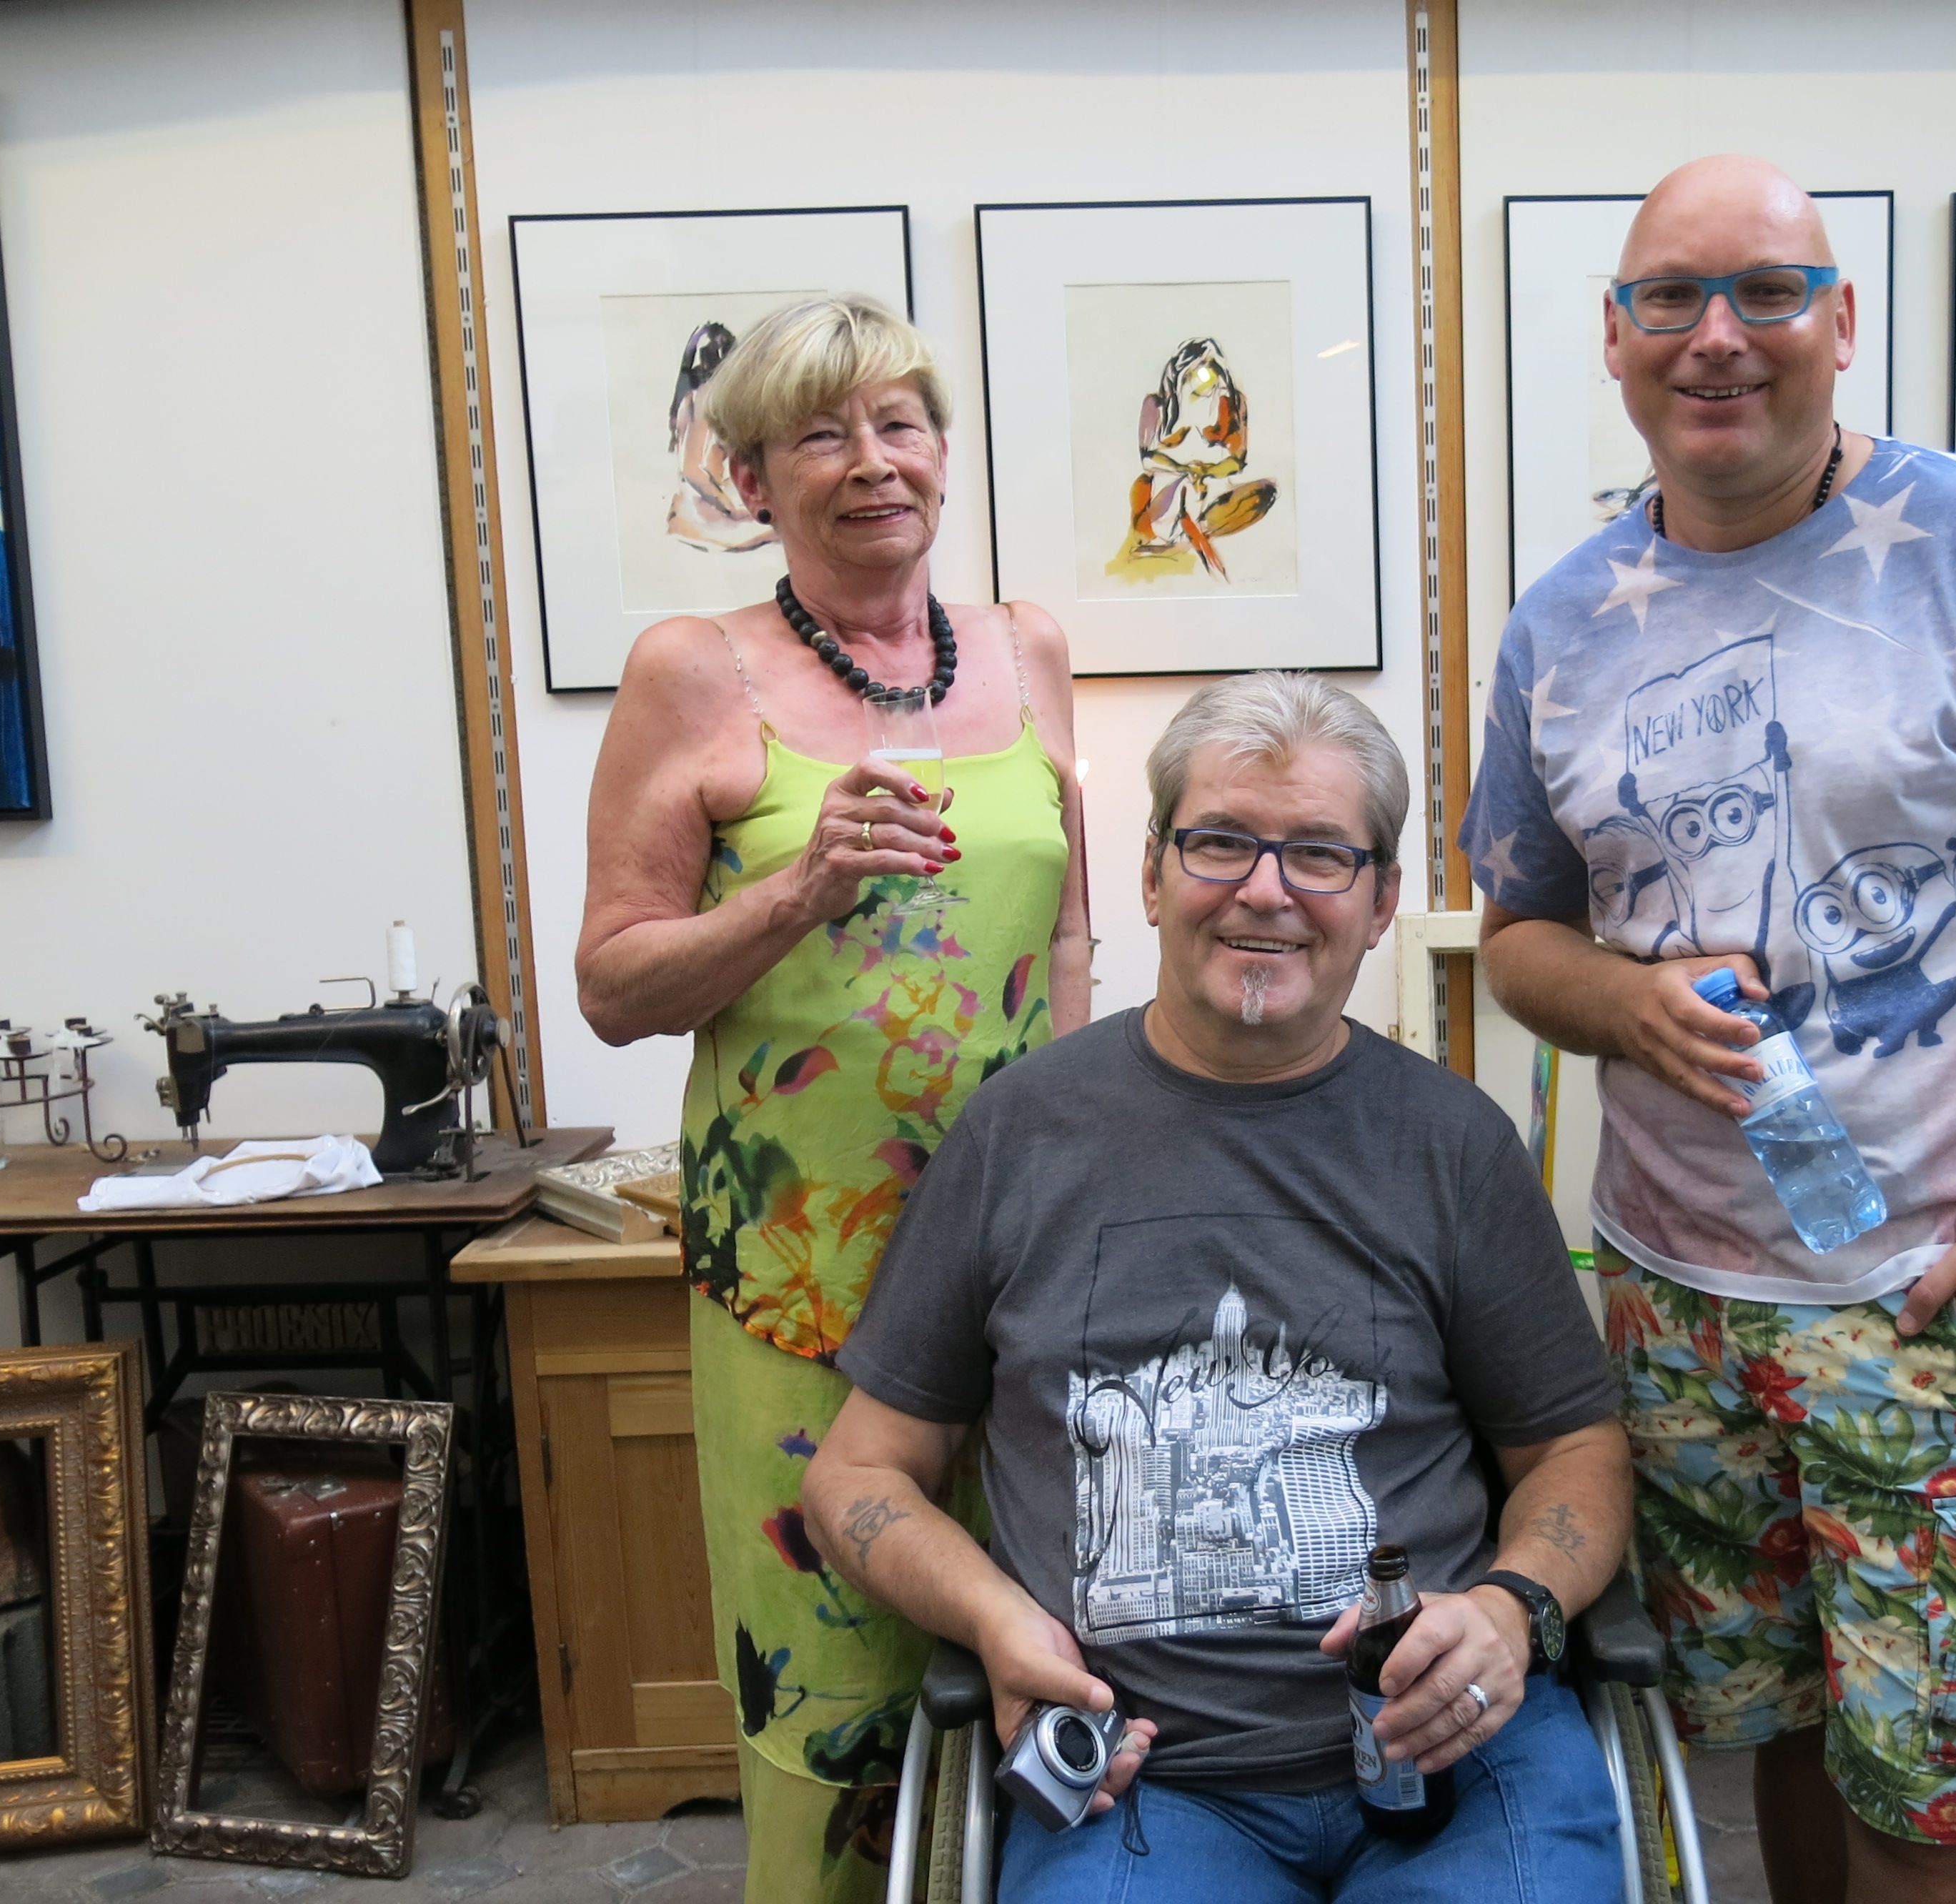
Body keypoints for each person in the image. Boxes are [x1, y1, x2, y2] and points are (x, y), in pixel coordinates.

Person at [1461, 157, 1956, 1904]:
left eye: (1767, 291)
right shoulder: (1560, 622)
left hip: (1927, 1298)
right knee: (1783, 1747)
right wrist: (1626, 1003)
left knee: (1925, 1805)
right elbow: (1515, 946)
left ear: (1841, 321)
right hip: (1672, 1302)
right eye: (1670, 296)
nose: (1716, 336)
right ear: (1613, 337)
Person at [804, 672, 1633, 1902]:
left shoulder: (1455, 1146)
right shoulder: (1019, 1134)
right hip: (1143, 1777)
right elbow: (856, 1476)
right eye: (1221, 842)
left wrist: (1517, 1609)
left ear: (1381, 902)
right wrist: (993, 1620)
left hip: (1459, 1752)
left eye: (1320, 855)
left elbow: (1575, 1450)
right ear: (1151, 874)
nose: (1266, 890)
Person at [575, 294, 1091, 1901]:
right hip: (803, 1278)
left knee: (1044, 1641)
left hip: (1019, 1260)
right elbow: (612, 986)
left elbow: (1069, 932)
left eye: (899, 425)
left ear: (941, 451)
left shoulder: (1028, 649)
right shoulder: (692, 672)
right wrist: (798, 890)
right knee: (832, 1687)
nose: (872, 462)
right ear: (749, 479)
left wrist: (1091, 1149)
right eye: (819, 435)